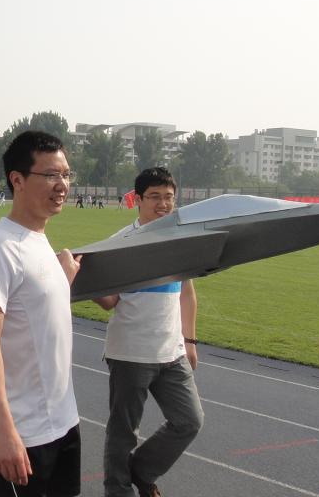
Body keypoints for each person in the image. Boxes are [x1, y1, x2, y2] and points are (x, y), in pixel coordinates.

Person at [0, 131, 83, 497]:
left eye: (65, 174)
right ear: (17, 180)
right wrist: (4, 431)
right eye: (50, 175)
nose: (62, 185)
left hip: (63, 422)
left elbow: (36, 314)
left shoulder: (39, 240)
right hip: (21, 433)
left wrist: (62, 280)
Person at [92, 167, 202, 497]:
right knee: (124, 432)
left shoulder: (180, 238)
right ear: (138, 199)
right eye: (155, 197)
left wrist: (190, 341)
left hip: (172, 352)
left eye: (169, 197)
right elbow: (110, 302)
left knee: (189, 420)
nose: (163, 204)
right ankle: (118, 491)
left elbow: (186, 293)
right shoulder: (121, 243)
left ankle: (141, 471)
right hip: (131, 353)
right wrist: (89, 284)